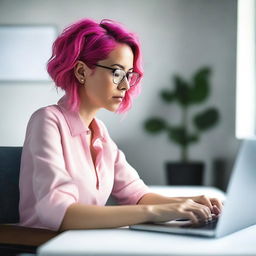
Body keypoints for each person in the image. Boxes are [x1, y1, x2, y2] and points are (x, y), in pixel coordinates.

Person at [19, 18, 222, 232]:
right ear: (81, 72)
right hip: (46, 246)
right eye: (116, 73)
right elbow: (60, 213)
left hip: (85, 243)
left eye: (128, 74)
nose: (125, 85)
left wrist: (193, 202)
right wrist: (155, 212)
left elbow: (136, 194)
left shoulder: (100, 133)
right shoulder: (47, 121)